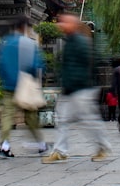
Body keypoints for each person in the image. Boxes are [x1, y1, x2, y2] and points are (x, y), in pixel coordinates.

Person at [43, 13, 111, 163]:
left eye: (64, 22)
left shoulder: (81, 42)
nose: (61, 25)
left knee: (89, 120)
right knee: (61, 119)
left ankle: (103, 146)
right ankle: (60, 151)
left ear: (73, 25)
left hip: (81, 88)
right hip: (69, 88)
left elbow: (90, 64)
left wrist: (81, 83)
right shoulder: (70, 42)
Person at [0, 16, 48, 158]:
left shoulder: (5, 43)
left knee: (7, 115)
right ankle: (41, 144)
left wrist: (6, 79)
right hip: (25, 85)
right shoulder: (29, 44)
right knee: (31, 116)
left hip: (8, 86)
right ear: (25, 27)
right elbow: (38, 64)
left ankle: (5, 146)